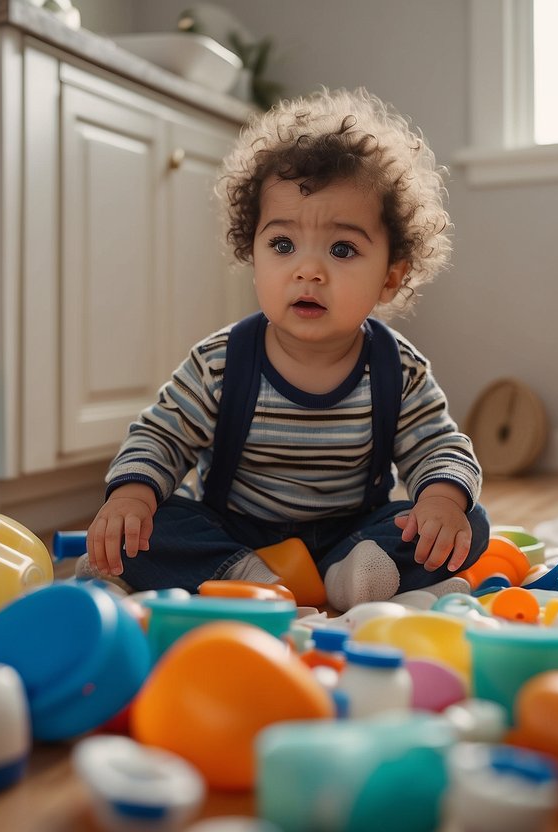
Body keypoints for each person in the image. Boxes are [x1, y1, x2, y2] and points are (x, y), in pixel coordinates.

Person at [79, 87, 490, 611]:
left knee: (468, 521)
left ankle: (356, 577)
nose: (308, 269)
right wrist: (132, 494)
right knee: (152, 520)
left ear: (391, 277)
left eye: (342, 249)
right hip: (237, 534)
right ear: (252, 253)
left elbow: (439, 445)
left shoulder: (398, 369)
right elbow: (161, 435)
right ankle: (242, 575)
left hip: (350, 538)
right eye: (282, 245)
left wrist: (441, 499)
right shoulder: (221, 362)